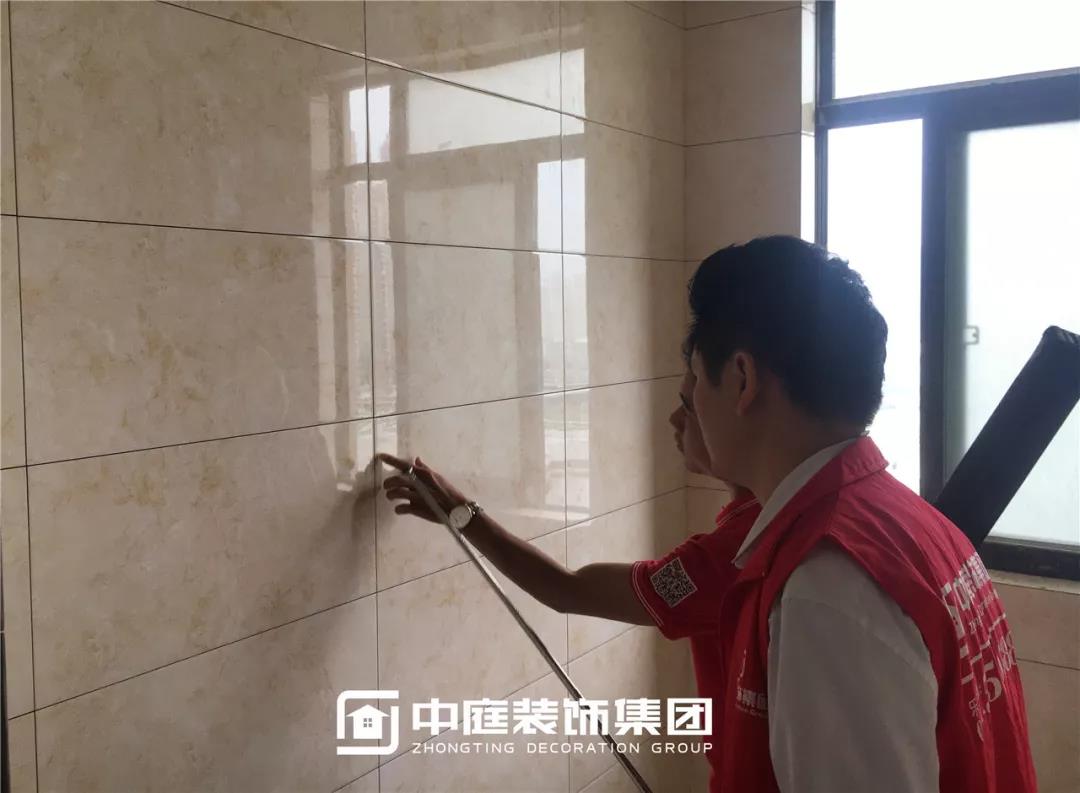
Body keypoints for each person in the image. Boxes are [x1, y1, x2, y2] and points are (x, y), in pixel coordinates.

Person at [380, 235, 1036, 793]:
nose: (684, 410)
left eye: (694, 383)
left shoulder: (825, 586)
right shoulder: (908, 524)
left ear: (741, 379)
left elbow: (573, 589)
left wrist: (464, 516)